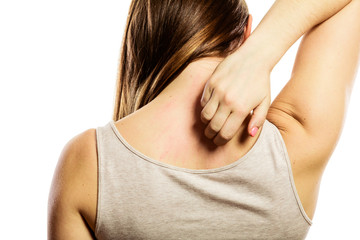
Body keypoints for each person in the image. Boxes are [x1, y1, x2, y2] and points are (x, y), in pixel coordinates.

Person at [48, 0, 360, 239]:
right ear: (245, 32)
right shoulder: (295, 144)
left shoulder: (89, 163)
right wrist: (260, 53)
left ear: (143, 42)